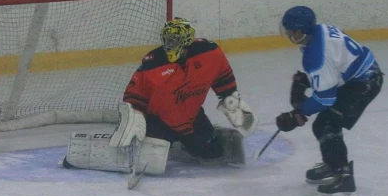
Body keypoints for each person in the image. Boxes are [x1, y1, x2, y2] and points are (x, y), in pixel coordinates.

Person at [64, 17, 258, 175]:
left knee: (213, 154)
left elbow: (222, 78)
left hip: (191, 119)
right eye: (166, 39)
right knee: (148, 158)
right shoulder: (153, 62)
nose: (168, 45)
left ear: (187, 41)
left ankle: (178, 146)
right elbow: (134, 95)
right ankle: (94, 151)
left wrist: (230, 99)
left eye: (174, 41)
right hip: (158, 121)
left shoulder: (210, 53)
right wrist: (136, 119)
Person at [276, 6, 383, 196]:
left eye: (290, 31)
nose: (288, 34)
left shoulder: (316, 56)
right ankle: (332, 163)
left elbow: (325, 98)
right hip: (359, 75)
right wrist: (309, 82)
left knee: (326, 123)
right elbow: (334, 63)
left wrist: (298, 114)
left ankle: (343, 177)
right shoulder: (320, 30)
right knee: (327, 120)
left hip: (363, 84)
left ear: (300, 31)